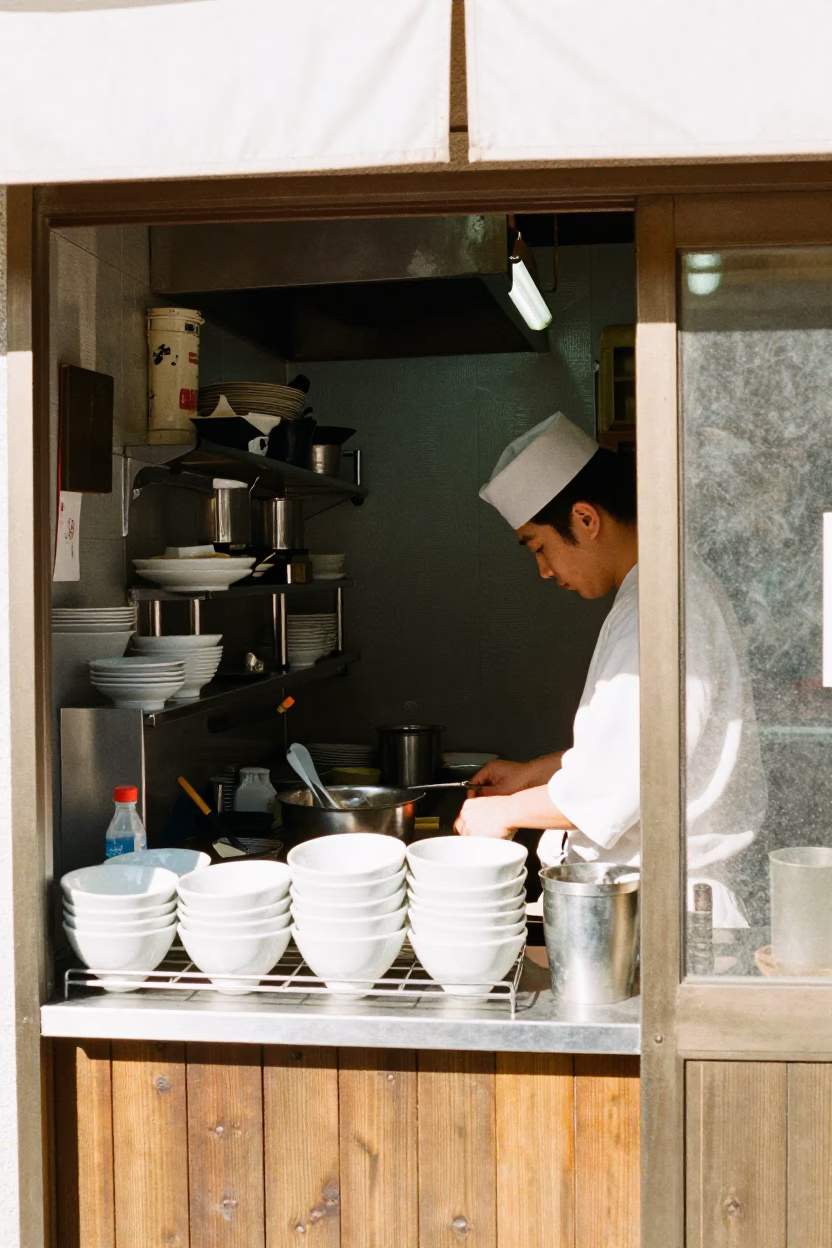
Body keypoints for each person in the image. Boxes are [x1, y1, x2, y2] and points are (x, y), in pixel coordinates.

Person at [454, 412, 766, 927]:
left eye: (539, 546)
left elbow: (619, 785)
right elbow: (640, 748)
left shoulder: (659, 607)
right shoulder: (659, 588)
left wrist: (502, 812)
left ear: (585, 518)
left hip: (665, 916)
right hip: (644, 901)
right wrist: (534, 774)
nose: (545, 570)